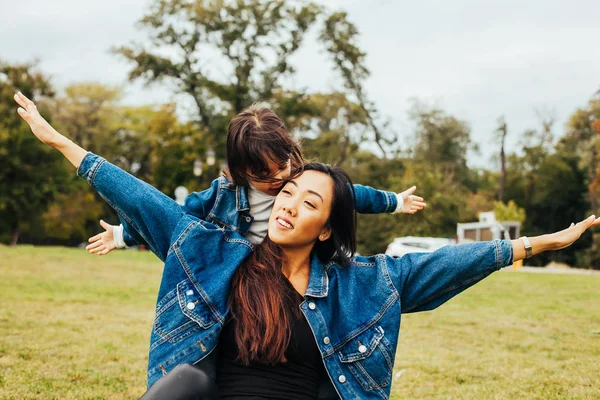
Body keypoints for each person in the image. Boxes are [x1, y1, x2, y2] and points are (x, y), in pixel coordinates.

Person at [15, 91, 599, 399]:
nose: (290, 201)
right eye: (287, 191)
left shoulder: (361, 284)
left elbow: (444, 262)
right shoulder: (210, 250)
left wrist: (533, 244)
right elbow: (141, 198)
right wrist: (58, 140)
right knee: (186, 382)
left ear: (326, 228)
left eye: (310, 201)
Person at [84, 105, 426, 256]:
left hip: (297, 270)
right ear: (242, 171)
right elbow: (174, 217)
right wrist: (124, 235)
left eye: (284, 164)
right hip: (248, 273)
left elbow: (350, 195)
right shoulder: (222, 197)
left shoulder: (304, 176)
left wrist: (394, 201)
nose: (280, 178)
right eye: (265, 175)